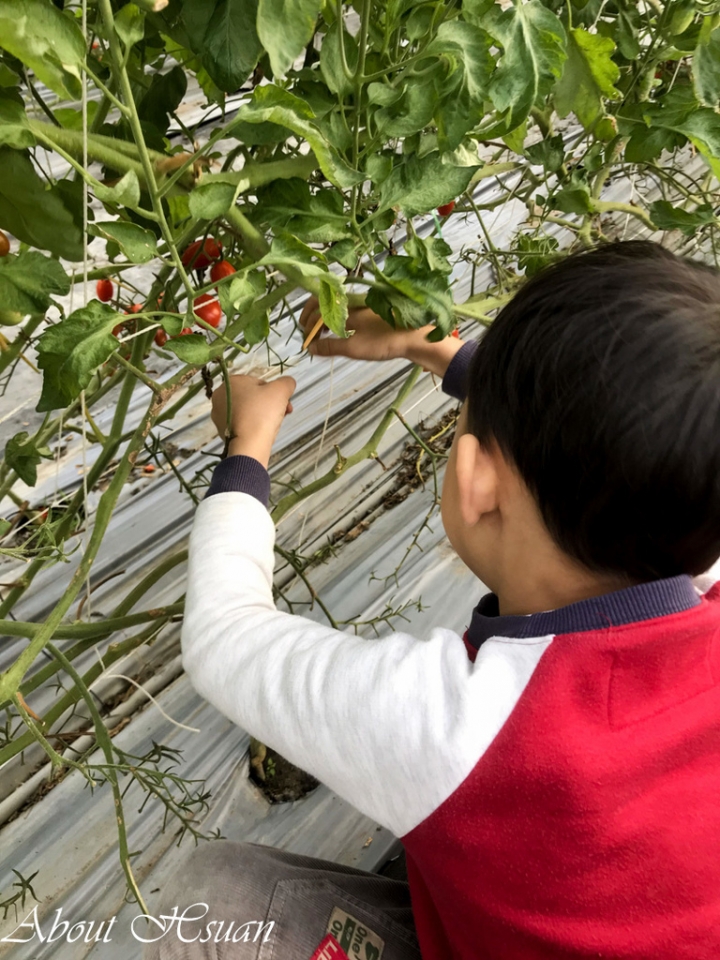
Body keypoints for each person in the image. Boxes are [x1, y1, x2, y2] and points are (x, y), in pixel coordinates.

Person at [146, 241, 720, 960]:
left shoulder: (463, 733)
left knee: (215, 904)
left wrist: (247, 442)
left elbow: (223, 635)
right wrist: (438, 351)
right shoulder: (697, 547)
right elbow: (624, 454)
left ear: (476, 479)